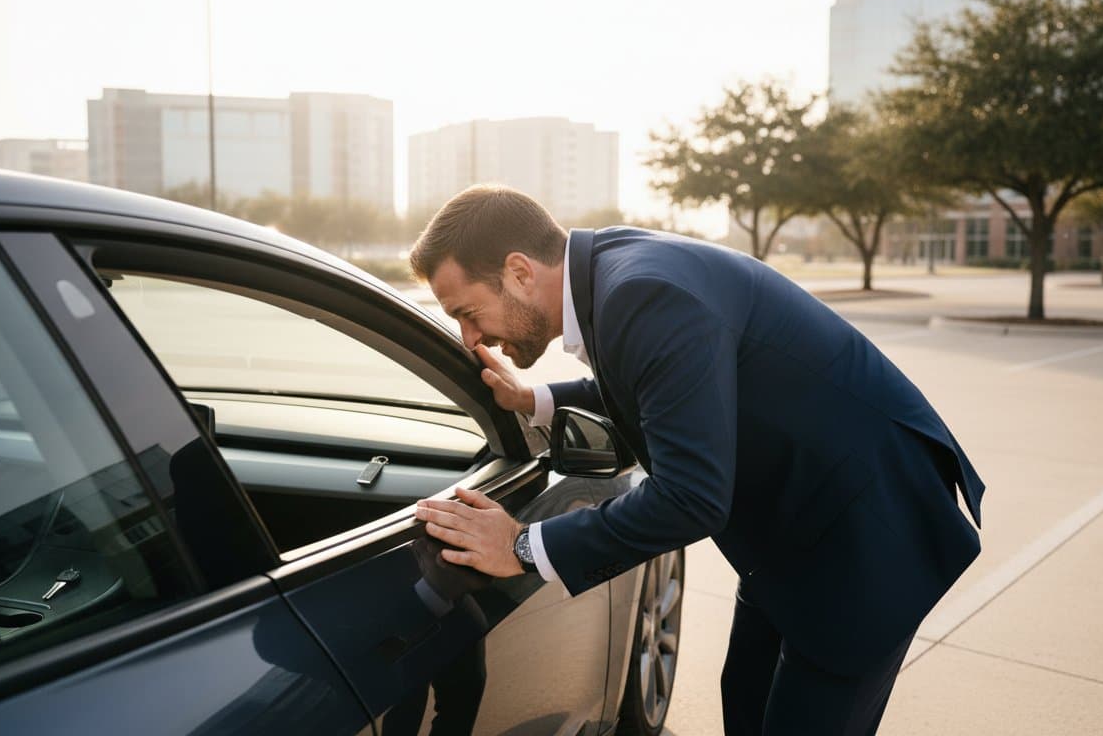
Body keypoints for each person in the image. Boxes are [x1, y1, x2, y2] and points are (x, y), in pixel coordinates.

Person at [411, 185, 983, 735]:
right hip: (792, 530)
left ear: (518, 272)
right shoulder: (609, 272)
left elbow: (691, 499)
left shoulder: (642, 295)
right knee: (746, 704)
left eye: (468, 312)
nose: (469, 338)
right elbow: (661, 382)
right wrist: (538, 399)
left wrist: (521, 546)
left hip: (866, 539)